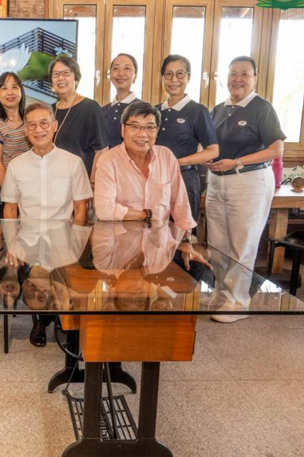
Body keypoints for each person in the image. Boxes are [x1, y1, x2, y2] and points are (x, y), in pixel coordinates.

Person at [1, 101, 92, 346]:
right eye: (31, 125)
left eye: (44, 123)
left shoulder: (72, 162)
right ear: (25, 131)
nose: (38, 129)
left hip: (62, 236)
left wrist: (75, 245)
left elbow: (81, 208)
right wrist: (12, 246)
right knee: (24, 276)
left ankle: (63, 320)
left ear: (54, 126)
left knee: (66, 277)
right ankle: (40, 320)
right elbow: (10, 208)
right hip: (27, 237)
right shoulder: (17, 165)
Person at [206, 56, 286, 323]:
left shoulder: (262, 108)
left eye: (244, 74)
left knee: (243, 244)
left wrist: (237, 162)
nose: (237, 79)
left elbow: (276, 149)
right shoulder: (218, 109)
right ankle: (222, 293)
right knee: (218, 243)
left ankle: (238, 301)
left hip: (248, 180)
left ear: (254, 78)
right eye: (232, 73)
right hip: (218, 181)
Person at [94, 101, 196, 233]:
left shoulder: (166, 156)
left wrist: (187, 241)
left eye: (149, 127)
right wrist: (146, 214)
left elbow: (180, 206)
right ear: (123, 130)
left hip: (159, 247)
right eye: (135, 126)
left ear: (157, 131)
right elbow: (104, 210)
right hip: (122, 246)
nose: (142, 134)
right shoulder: (108, 160)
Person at [155, 55, 219, 223]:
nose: (174, 79)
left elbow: (213, 150)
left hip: (184, 179)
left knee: (181, 234)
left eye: (180, 74)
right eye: (168, 74)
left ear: (188, 77)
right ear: (162, 78)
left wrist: (177, 162)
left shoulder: (198, 111)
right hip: (155, 180)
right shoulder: (154, 111)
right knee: (155, 233)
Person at [49, 55, 109, 179]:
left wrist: (92, 184)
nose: (61, 78)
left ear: (75, 78)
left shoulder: (90, 107)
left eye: (66, 73)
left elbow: (102, 150)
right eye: (56, 74)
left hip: (81, 181)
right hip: (53, 180)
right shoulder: (50, 110)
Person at [0, 71, 31, 186]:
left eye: (14, 87)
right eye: (4, 88)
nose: (10, 93)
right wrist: (9, 193)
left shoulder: (30, 118)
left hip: (31, 182)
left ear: (21, 92)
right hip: (6, 184)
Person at [102, 53, 141, 147]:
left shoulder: (144, 109)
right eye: (115, 68)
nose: (120, 73)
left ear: (135, 75)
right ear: (110, 74)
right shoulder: (101, 111)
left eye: (127, 68)